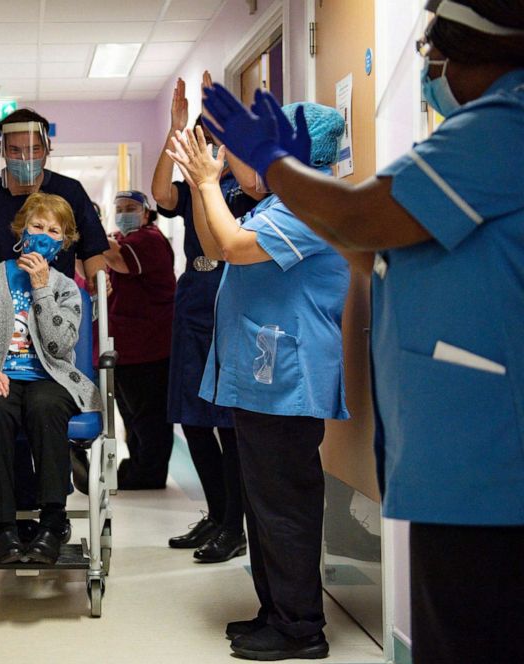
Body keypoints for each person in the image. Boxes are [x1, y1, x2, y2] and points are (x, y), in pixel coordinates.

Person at [199, 2, 524, 661]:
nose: (432, 73)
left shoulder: (503, 125)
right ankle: (280, 613)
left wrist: (278, 168)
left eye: (439, 58)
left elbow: (357, 222)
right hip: (459, 444)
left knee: (470, 628)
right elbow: (364, 247)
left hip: (486, 453)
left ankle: (294, 623)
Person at [168, 101, 349, 661]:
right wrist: (206, 187)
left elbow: (231, 247)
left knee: (284, 507)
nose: (235, 158)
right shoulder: (275, 205)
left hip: (288, 383)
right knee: (264, 505)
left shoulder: (308, 206)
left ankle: (301, 628)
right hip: (263, 379)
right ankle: (276, 613)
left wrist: (206, 178)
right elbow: (211, 238)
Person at [0, 193, 101, 565]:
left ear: (63, 242)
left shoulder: (67, 287)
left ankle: (52, 523)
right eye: (37, 226)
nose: (43, 235)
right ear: (21, 229)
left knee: (45, 403)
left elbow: (59, 344)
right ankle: (3, 530)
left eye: (54, 231)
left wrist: (41, 287)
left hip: (51, 376)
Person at [153, 76, 262, 561]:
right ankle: (217, 515)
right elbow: (159, 194)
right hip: (193, 296)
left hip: (227, 295)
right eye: (201, 133)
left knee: (226, 421)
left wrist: (226, 127)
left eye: (213, 133)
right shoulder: (196, 184)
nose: (207, 141)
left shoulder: (248, 184)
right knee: (191, 417)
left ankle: (234, 525)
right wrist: (174, 130)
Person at [0, 108, 109, 290]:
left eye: (33, 149)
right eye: (14, 150)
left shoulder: (70, 192)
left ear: (47, 148)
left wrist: (97, 280)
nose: (24, 158)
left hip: (54, 305)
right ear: (2, 150)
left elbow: (92, 249)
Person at [102, 190, 176, 490]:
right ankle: (137, 467)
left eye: (131, 208)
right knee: (132, 416)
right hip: (129, 346)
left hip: (150, 346)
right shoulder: (123, 238)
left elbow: (120, 261)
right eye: (119, 208)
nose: (124, 213)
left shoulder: (149, 240)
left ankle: (150, 474)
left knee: (149, 417)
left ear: (146, 213)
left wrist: (85, 230)